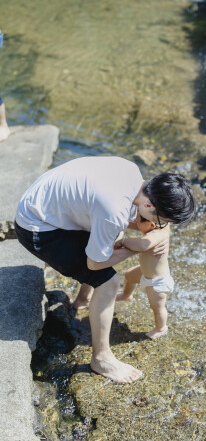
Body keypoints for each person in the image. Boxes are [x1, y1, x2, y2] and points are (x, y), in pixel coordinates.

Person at [14, 156, 195, 384]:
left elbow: (116, 216)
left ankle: (82, 300)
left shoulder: (132, 174)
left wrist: (130, 238)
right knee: (108, 282)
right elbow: (94, 264)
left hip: (42, 203)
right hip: (37, 227)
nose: (158, 227)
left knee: (113, 235)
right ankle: (101, 358)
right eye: (161, 221)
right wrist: (134, 249)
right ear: (150, 204)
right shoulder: (114, 210)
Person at [116, 213, 174, 340]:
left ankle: (161, 328)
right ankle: (126, 295)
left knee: (157, 308)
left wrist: (124, 241)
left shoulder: (157, 234)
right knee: (129, 275)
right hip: (145, 272)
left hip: (157, 282)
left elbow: (142, 245)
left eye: (138, 220)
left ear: (151, 224)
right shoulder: (157, 223)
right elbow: (134, 225)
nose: (136, 222)